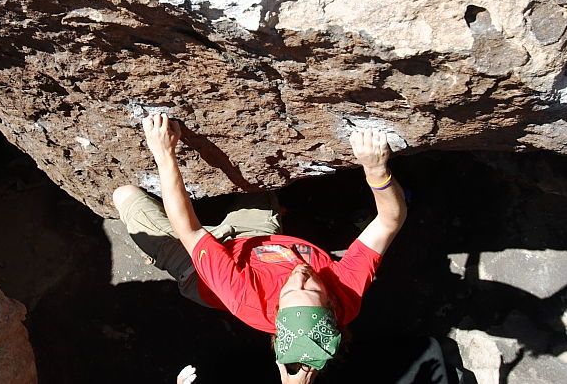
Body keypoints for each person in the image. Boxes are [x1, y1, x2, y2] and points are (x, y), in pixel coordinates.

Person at [113, 113, 407, 382]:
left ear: (278, 310)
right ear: (332, 305)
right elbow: (390, 220)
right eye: (314, 288)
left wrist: (164, 154)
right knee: (263, 165)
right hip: (258, 238)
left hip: (198, 268)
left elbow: (188, 228)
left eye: (291, 290)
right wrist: (376, 171)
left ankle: (159, 251)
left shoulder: (245, 296)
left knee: (124, 195)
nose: (301, 275)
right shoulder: (346, 293)